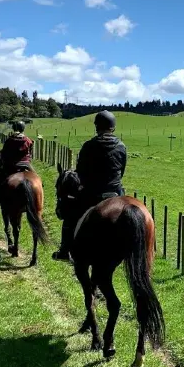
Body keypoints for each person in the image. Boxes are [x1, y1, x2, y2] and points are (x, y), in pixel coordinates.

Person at [53, 110, 127, 261]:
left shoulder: (89, 146)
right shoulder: (122, 146)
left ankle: (64, 250)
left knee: (70, 217)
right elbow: (122, 171)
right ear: (113, 127)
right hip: (116, 193)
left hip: (93, 194)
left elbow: (80, 173)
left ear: (97, 126)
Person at [0, 120, 34, 211]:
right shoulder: (28, 140)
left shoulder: (10, 140)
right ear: (23, 128)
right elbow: (30, 153)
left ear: (14, 128)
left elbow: (4, 153)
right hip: (26, 165)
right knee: (37, 179)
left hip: (12, 165)